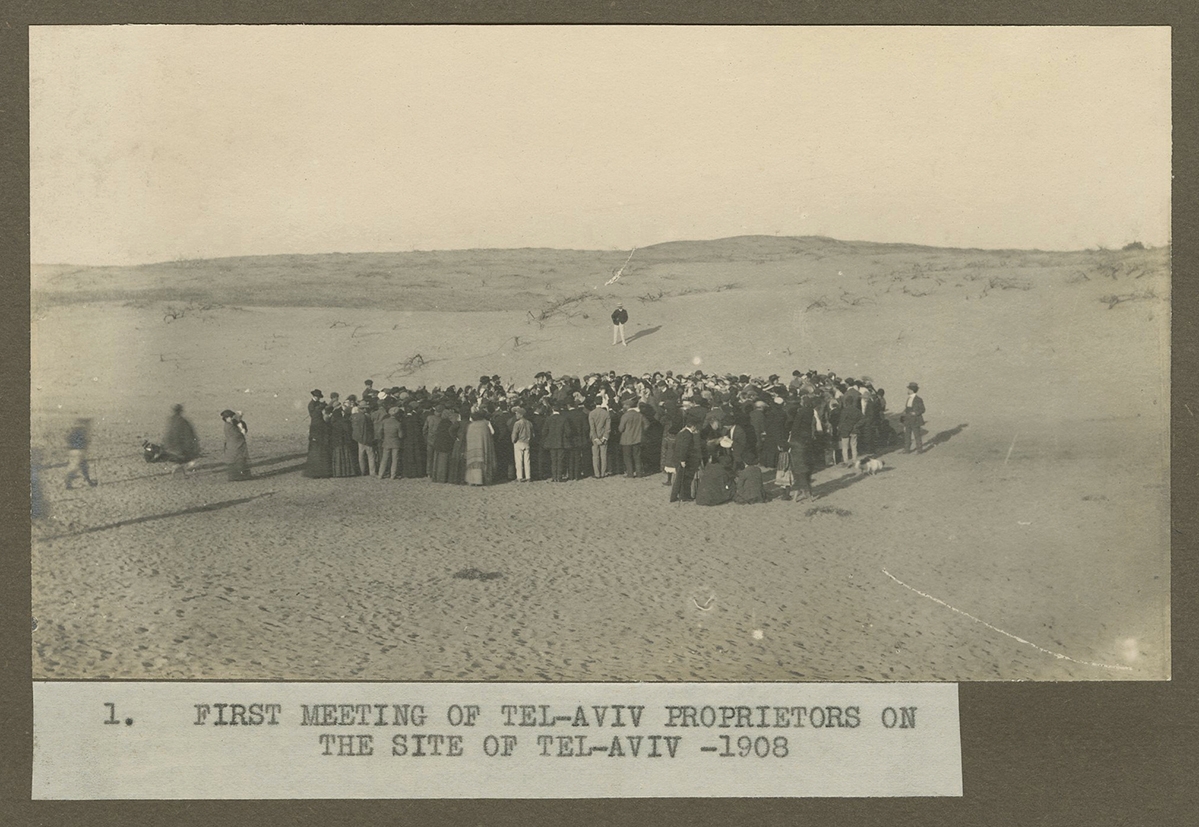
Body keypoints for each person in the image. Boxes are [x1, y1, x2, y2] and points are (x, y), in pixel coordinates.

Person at [670, 408, 704, 502]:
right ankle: (683, 496)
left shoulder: (682, 432)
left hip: (677, 458)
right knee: (684, 479)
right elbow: (684, 448)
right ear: (693, 426)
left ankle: (678, 496)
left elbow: (675, 446)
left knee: (680, 479)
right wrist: (683, 460)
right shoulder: (688, 435)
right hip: (682, 459)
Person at [161, 404, 201, 472]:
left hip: (169, 447)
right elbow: (188, 435)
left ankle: (177, 465)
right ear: (181, 411)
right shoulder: (183, 421)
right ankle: (185, 466)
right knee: (190, 454)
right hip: (179, 448)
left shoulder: (170, 420)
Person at [303, 390, 332, 478]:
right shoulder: (311, 405)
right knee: (317, 452)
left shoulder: (316, 405)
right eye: (317, 396)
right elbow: (315, 413)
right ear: (314, 396)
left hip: (317, 432)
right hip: (316, 432)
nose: (318, 398)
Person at [465, 409, 498, 486]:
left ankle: (473, 480)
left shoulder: (470, 426)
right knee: (482, 462)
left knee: (473, 463)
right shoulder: (484, 425)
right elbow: (491, 434)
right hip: (483, 447)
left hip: (472, 448)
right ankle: (482, 480)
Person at [64, 417, 97, 489]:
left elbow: (68, 439)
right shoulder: (82, 431)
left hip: (75, 450)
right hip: (78, 451)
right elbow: (84, 442)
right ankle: (68, 482)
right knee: (76, 467)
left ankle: (89, 482)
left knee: (83, 467)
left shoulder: (75, 430)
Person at [221, 410, 252, 481]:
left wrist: (240, 420)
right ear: (226, 418)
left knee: (237, 460)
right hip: (235, 445)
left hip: (233, 445)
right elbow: (237, 435)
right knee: (237, 460)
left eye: (232, 416)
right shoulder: (229, 426)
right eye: (230, 417)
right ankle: (239, 476)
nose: (231, 418)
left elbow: (239, 423)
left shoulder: (230, 424)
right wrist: (242, 431)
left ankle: (239, 476)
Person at [619, 398, 644, 477]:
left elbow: (621, 429)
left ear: (627, 406)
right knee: (637, 457)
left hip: (626, 440)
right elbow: (647, 425)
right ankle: (639, 473)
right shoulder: (639, 415)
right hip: (637, 438)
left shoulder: (625, 416)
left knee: (627, 457)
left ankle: (630, 473)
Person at [351, 401, 376, 476]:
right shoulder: (366, 417)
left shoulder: (354, 416)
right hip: (367, 439)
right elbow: (369, 429)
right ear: (363, 409)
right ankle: (372, 472)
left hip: (359, 439)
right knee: (371, 456)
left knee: (361, 456)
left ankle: (362, 471)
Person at [377, 407, 404, 479]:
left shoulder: (384, 421)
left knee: (384, 459)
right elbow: (400, 435)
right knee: (395, 459)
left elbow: (379, 432)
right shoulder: (398, 423)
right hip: (395, 443)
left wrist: (382, 438)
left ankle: (380, 474)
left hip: (386, 442)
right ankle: (393, 475)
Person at [588, 398, 611, 478]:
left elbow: (592, 427)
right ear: (601, 402)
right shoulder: (606, 413)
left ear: (595, 403)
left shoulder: (591, 413)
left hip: (595, 437)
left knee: (595, 456)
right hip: (603, 436)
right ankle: (603, 473)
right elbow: (608, 427)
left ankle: (597, 473)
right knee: (603, 456)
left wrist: (595, 438)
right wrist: (605, 437)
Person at [511, 406, 534, 482]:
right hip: (527, 442)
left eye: (517, 414)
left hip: (519, 442)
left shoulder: (517, 423)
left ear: (521, 415)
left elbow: (514, 434)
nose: (516, 415)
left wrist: (513, 440)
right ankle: (528, 476)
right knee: (527, 460)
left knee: (519, 460)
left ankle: (519, 476)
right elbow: (533, 434)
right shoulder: (529, 423)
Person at [903, 382, 926, 453]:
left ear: (912, 390)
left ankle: (919, 450)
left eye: (909, 389)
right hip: (908, 419)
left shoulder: (918, 399)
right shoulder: (908, 398)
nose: (908, 390)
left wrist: (915, 413)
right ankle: (907, 449)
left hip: (915, 419)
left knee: (917, 435)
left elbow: (923, 409)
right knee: (907, 435)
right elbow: (907, 408)